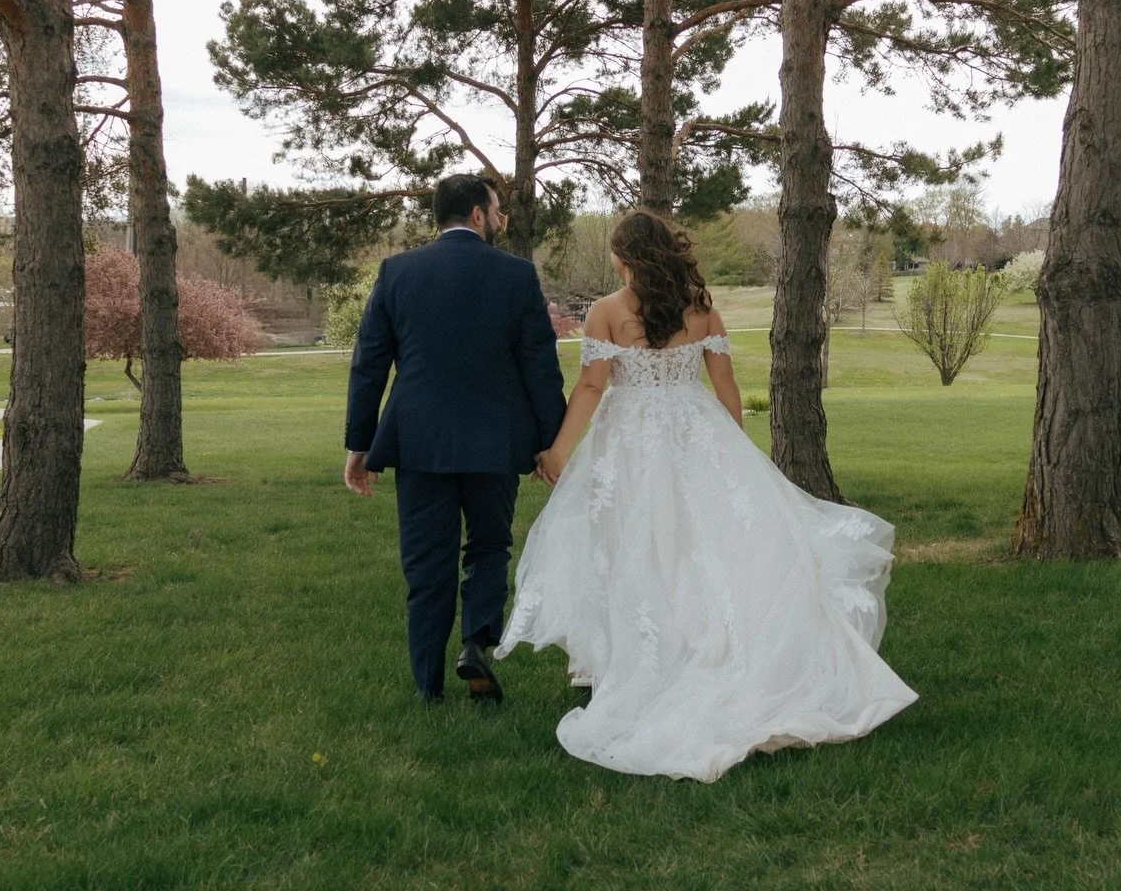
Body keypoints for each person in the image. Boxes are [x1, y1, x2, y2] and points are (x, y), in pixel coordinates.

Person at [496, 210, 917, 781]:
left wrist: (559, 453)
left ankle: (649, 660)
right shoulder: (701, 308)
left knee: (637, 547)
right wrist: (732, 452)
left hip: (632, 442)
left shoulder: (608, 312)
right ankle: (683, 648)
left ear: (624, 258)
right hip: (696, 432)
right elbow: (725, 386)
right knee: (701, 548)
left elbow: (592, 387)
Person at [344, 174, 566, 704]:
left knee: (426, 562)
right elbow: (540, 365)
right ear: (476, 214)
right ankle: (476, 641)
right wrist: (549, 442)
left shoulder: (397, 271)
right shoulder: (517, 276)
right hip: (495, 441)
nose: (502, 218)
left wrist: (360, 443)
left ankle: (427, 684)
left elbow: (368, 363)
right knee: (489, 545)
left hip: (418, 440)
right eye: (497, 209)